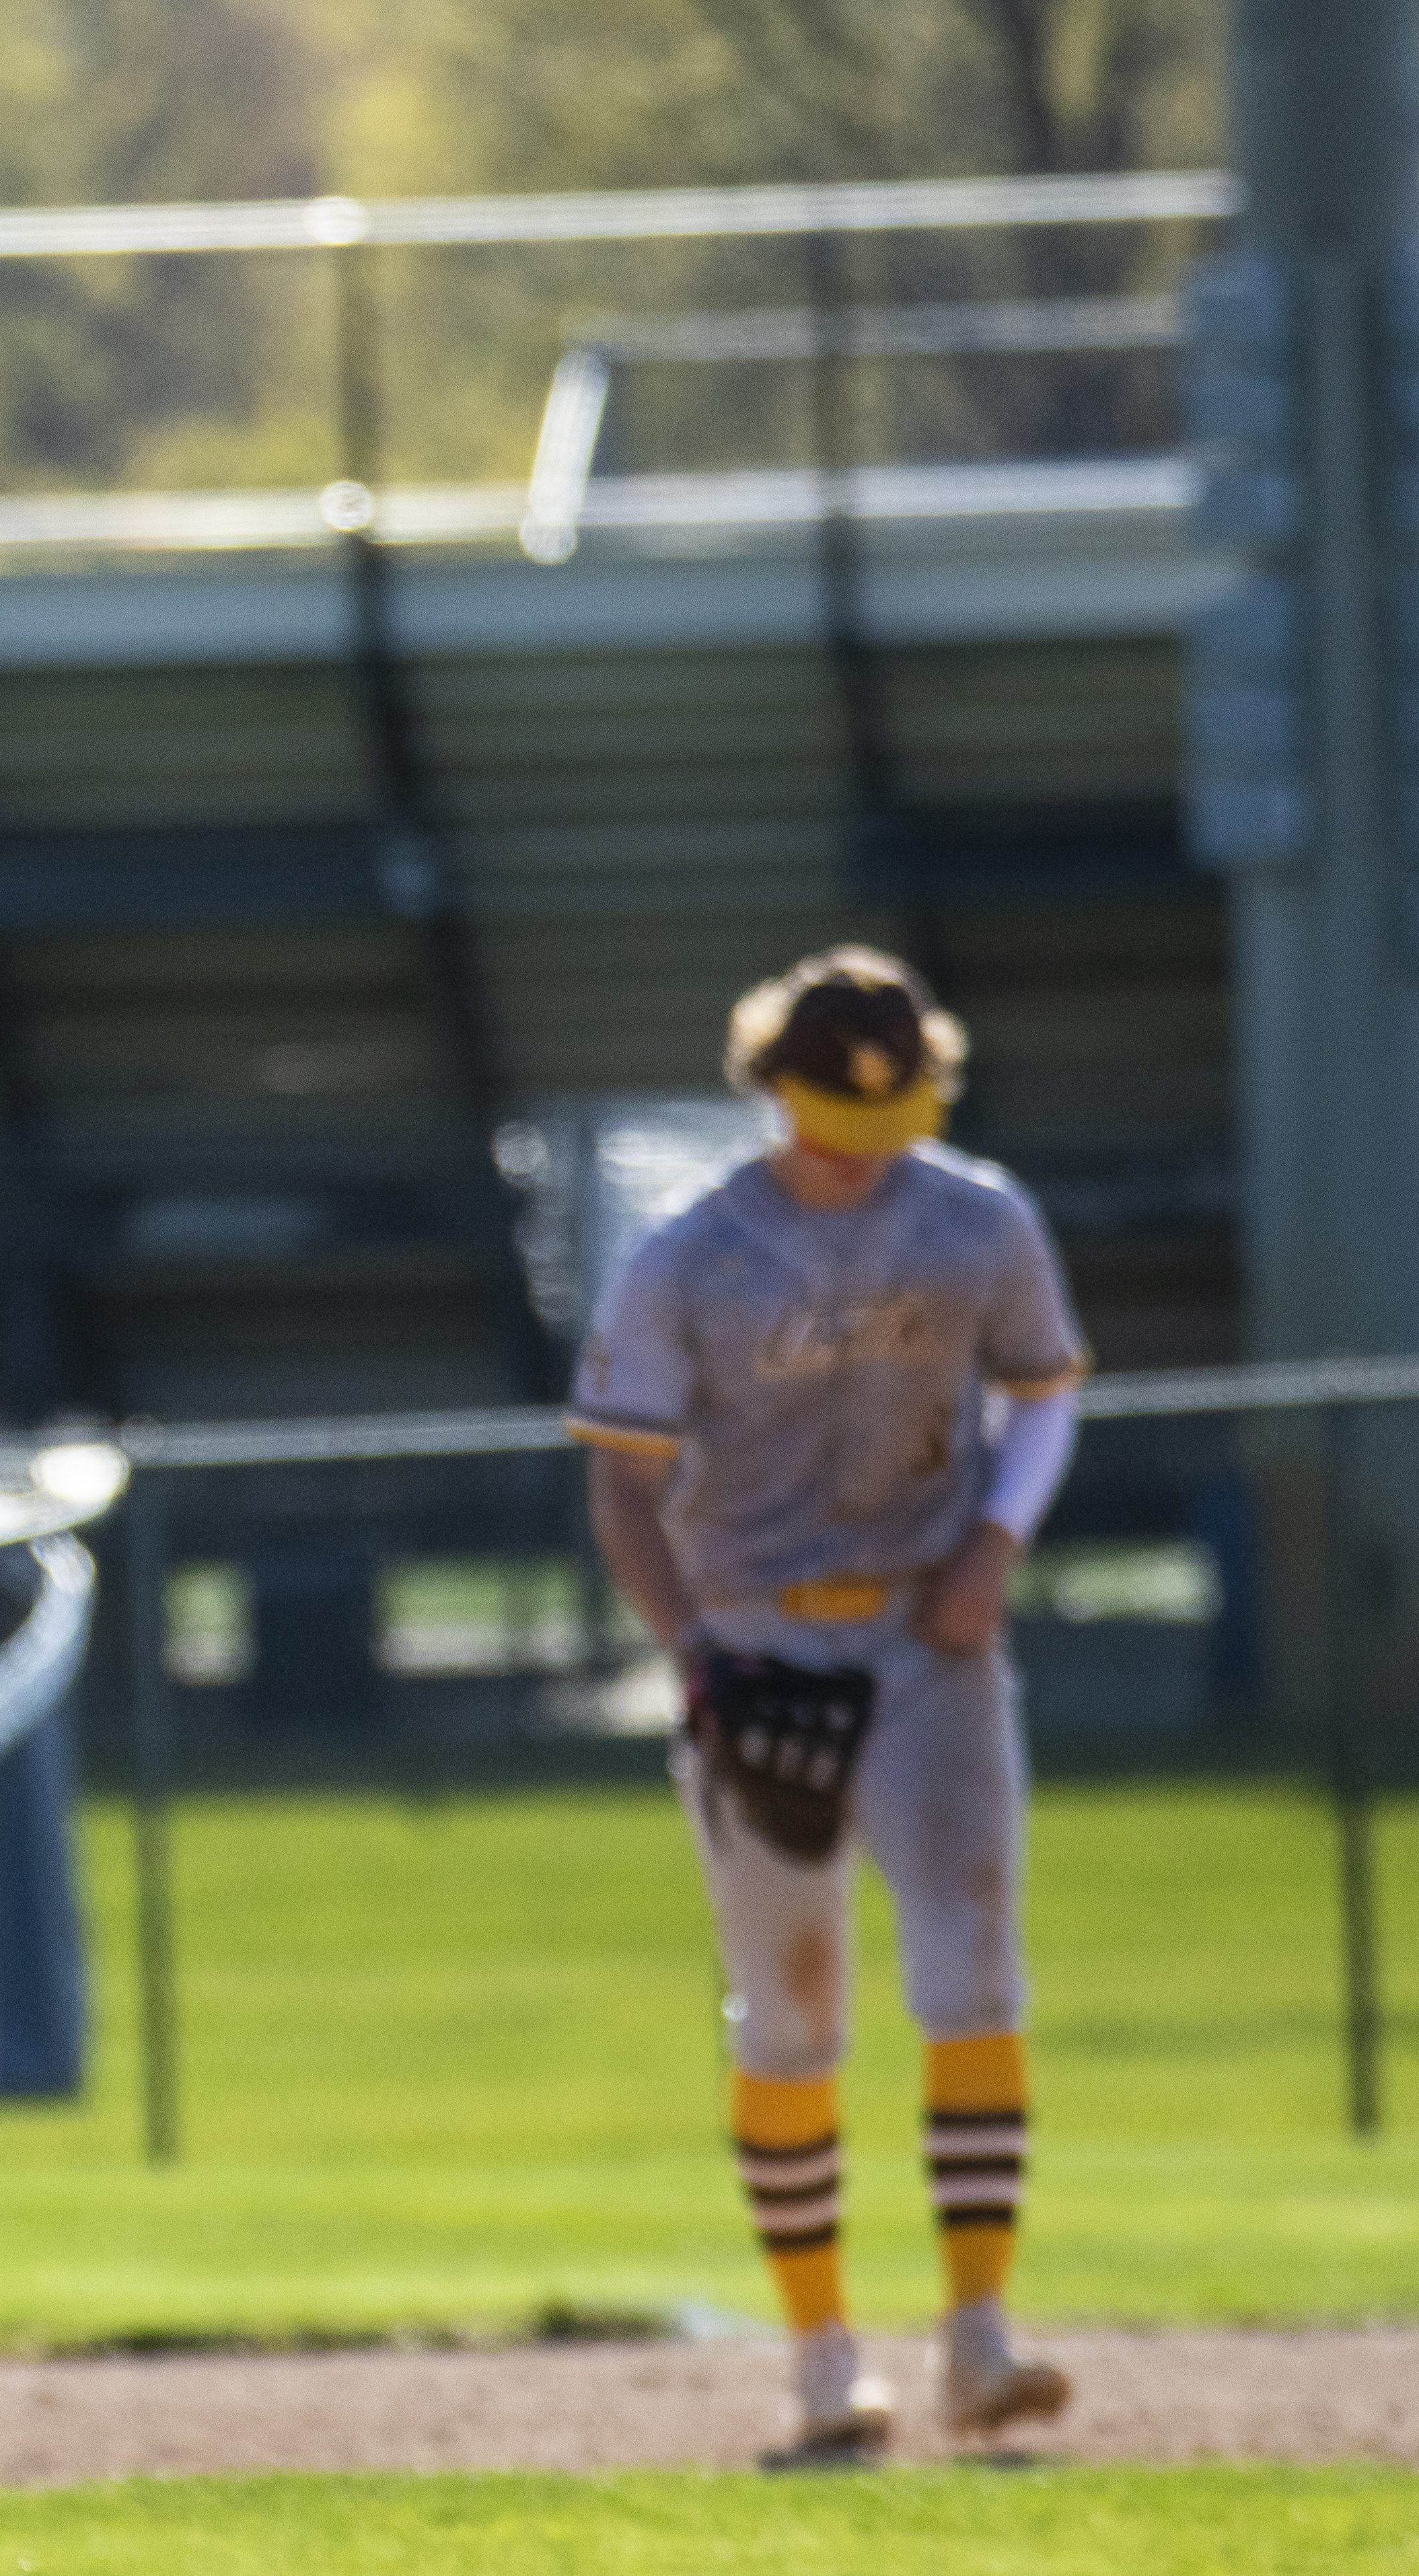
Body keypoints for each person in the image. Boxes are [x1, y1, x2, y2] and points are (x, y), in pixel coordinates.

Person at [567, 945, 1084, 2468]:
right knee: (790, 2015)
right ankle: (819, 2359)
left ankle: (980, 2338)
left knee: (973, 1972)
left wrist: (994, 1543)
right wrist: (690, 1654)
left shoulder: (977, 1218)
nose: (866, 1145)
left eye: (895, 1108)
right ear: (773, 1094)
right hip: (759, 1643)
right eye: (835, 1114)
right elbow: (622, 1474)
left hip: (931, 1643)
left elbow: (1044, 1385)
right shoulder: (689, 1255)